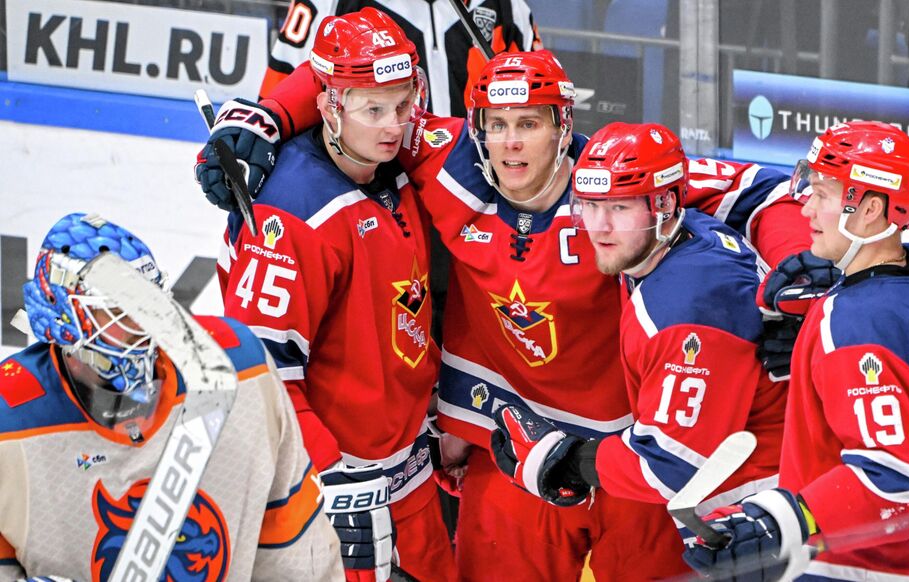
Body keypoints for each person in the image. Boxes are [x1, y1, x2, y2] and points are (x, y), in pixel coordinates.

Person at [195, 48, 810, 579]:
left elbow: (773, 191)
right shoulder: (449, 158)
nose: (511, 142)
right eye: (497, 124)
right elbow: (354, 80)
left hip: (628, 458)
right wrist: (265, 118)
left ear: (563, 126)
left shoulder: (613, 181)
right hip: (514, 451)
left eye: (530, 123)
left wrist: (792, 285)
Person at [685, 121, 909, 581]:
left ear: (870, 209)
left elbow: (897, 473)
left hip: (879, 570)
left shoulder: (854, 323)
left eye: (822, 194)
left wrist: (784, 520)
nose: (806, 208)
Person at [212, 10, 456, 582]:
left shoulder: (398, 161)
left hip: (411, 473)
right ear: (328, 107)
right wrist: (330, 480)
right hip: (337, 498)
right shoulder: (292, 215)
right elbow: (262, 374)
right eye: (374, 110)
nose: (395, 125)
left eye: (404, 104)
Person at [0, 212, 342, 581]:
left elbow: (294, 546)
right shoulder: (10, 420)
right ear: (63, 320)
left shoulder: (241, 367)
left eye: (148, 303)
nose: (144, 325)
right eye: (117, 312)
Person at [489, 122, 786, 522]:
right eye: (590, 205)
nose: (600, 226)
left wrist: (567, 461)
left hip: (763, 509)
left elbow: (671, 465)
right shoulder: (687, 231)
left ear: (665, 205)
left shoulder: (685, 307)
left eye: (619, 208)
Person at [262, 0, 542, 118]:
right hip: (373, 191)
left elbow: (542, 106)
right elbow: (278, 102)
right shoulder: (330, 3)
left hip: (477, 190)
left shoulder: (508, 6)